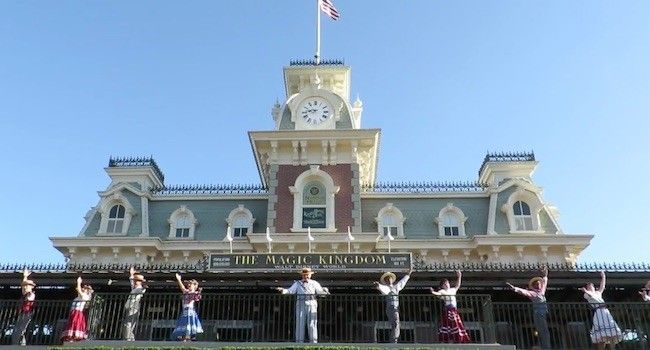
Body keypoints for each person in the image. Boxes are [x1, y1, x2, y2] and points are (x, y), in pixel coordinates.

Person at [276, 267, 329, 343]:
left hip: (312, 303)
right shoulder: (297, 283)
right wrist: (283, 290)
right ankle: (299, 342)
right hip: (300, 304)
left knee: (312, 323)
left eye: (307, 275)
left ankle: (313, 343)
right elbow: (290, 291)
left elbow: (320, 292)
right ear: (302, 275)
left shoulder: (314, 283)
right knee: (300, 323)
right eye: (304, 275)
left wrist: (325, 291)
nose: (306, 276)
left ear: (310, 275)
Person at [506, 267, 550, 350]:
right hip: (538, 313)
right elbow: (524, 292)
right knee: (542, 330)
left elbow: (545, 283)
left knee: (545, 330)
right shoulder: (532, 293)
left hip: (544, 313)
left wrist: (545, 275)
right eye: (536, 284)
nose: (539, 285)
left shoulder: (542, 292)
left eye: (539, 284)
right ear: (534, 286)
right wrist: (514, 288)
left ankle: (545, 345)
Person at [580, 271, 623, 350]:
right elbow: (590, 295)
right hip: (599, 312)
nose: (590, 287)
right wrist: (586, 291)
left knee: (611, 332)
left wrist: (603, 276)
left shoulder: (598, 293)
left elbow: (602, 286)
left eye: (591, 286)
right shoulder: (586, 294)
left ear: (593, 287)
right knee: (601, 335)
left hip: (605, 312)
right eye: (589, 286)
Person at [430, 270, 470, 343]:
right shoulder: (442, 291)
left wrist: (459, 276)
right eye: (444, 284)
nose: (446, 285)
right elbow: (438, 294)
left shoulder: (452, 290)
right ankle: (448, 339)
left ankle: (458, 339)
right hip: (448, 310)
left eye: (447, 283)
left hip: (454, 310)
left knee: (456, 324)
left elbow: (457, 285)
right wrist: (433, 292)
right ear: (442, 286)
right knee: (449, 324)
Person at [374, 269, 411, 343]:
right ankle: (394, 340)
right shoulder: (386, 288)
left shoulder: (395, 287)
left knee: (396, 324)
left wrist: (408, 274)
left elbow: (402, 282)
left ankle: (394, 339)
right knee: (396, 323)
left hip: (395, 308)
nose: (389, 280)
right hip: (391, 307)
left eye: (390, 278)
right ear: (386, 281)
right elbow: (383, 289)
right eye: (387, 279)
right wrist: (378, 286)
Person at [170, 273, 203, 341]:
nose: (189, 286)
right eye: (188, 285)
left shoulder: (194, 293)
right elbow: (182, 287)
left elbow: (197, 298)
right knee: (184, 323)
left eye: (190, 285)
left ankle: (189, 336)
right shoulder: (186, 292)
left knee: (189, 323)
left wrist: (199, 292)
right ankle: (184, 336)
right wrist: (179, 280)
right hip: (185, 310)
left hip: (190, 310)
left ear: (194, 286)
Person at [61, 276, 93, 343]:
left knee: (75, 324)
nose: (83, 289)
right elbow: (78, 290)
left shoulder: (85, 296)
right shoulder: (81, 295)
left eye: (85, 288)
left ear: (87, 291)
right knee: (73, 323)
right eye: (84, 288)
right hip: (74, 311)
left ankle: (74, 337)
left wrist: (78, 282)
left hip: (77, 312)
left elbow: (78, 290)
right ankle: (71, 337)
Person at [11, 268, 36, 345]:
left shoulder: (31, 294)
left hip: (27, 313)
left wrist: (25, 279)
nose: (24, 287)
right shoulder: (25, 294)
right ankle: (18, 343)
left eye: (27, 286)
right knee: (17, 329)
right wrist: (25, 276)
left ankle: (21, 344)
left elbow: (25, 292)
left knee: (21, 329)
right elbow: (23, 287)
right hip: (22, 313)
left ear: (31, 287)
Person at [122, 267, 147, 341]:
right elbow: (131, 282)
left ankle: (129, 339)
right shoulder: (135, 287)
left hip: (134, 308)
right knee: (128, 324)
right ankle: (130, 338)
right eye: (135, 280)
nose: (135, 282)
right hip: (130, 307)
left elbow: (141, 290)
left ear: (140, 282)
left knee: (129, 324)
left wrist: (144, 287)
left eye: (137, 281)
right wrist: (132, 274)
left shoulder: (139, 288)